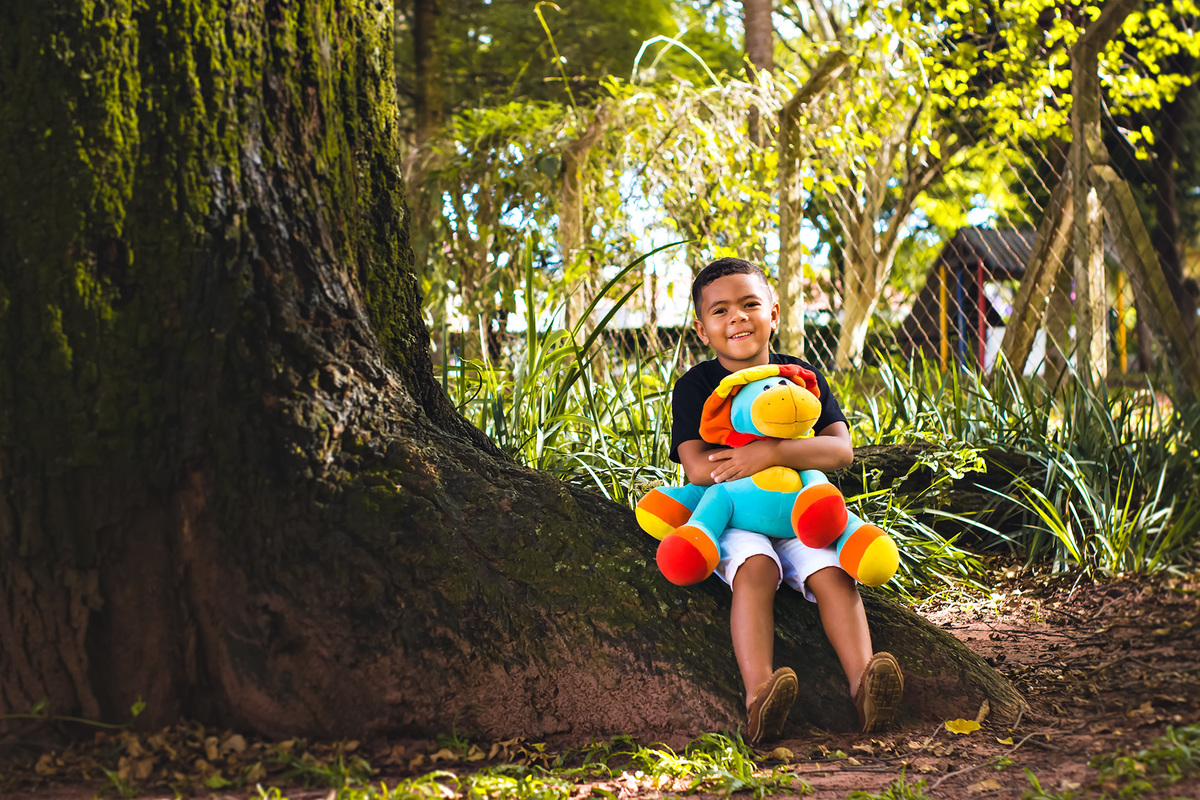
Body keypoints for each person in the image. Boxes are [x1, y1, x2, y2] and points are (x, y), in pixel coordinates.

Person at [669, 256, 903, 744]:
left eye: (750, 304)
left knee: (834, 574)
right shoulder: (696, 385)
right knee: (756, 572)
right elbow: (694, 464)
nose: (737, 318)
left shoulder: (800, 377)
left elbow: (839, 449)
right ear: (701, 328)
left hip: (801, 514)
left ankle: (867, 687)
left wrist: (772, 450)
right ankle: (760, 698)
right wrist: (746, 465)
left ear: (773, 312)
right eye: (721, 311)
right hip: (735, 515)